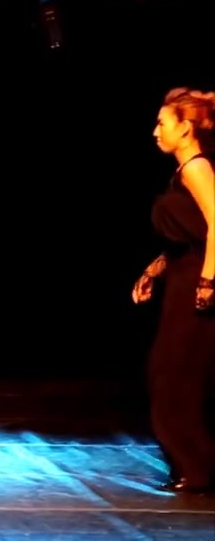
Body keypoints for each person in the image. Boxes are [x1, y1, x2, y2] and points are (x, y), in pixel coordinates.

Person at [132, 87, 215, 494]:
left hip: (198, 283)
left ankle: (197, 468)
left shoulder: (197, 168)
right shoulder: (183, 172)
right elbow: (191, 235)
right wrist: (155, 268)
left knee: (174, 376)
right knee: (168, 373)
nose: (155, 131)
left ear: (185, 129)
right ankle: (194, 466)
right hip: (184, 278)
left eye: (162, 122)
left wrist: (208, 281)